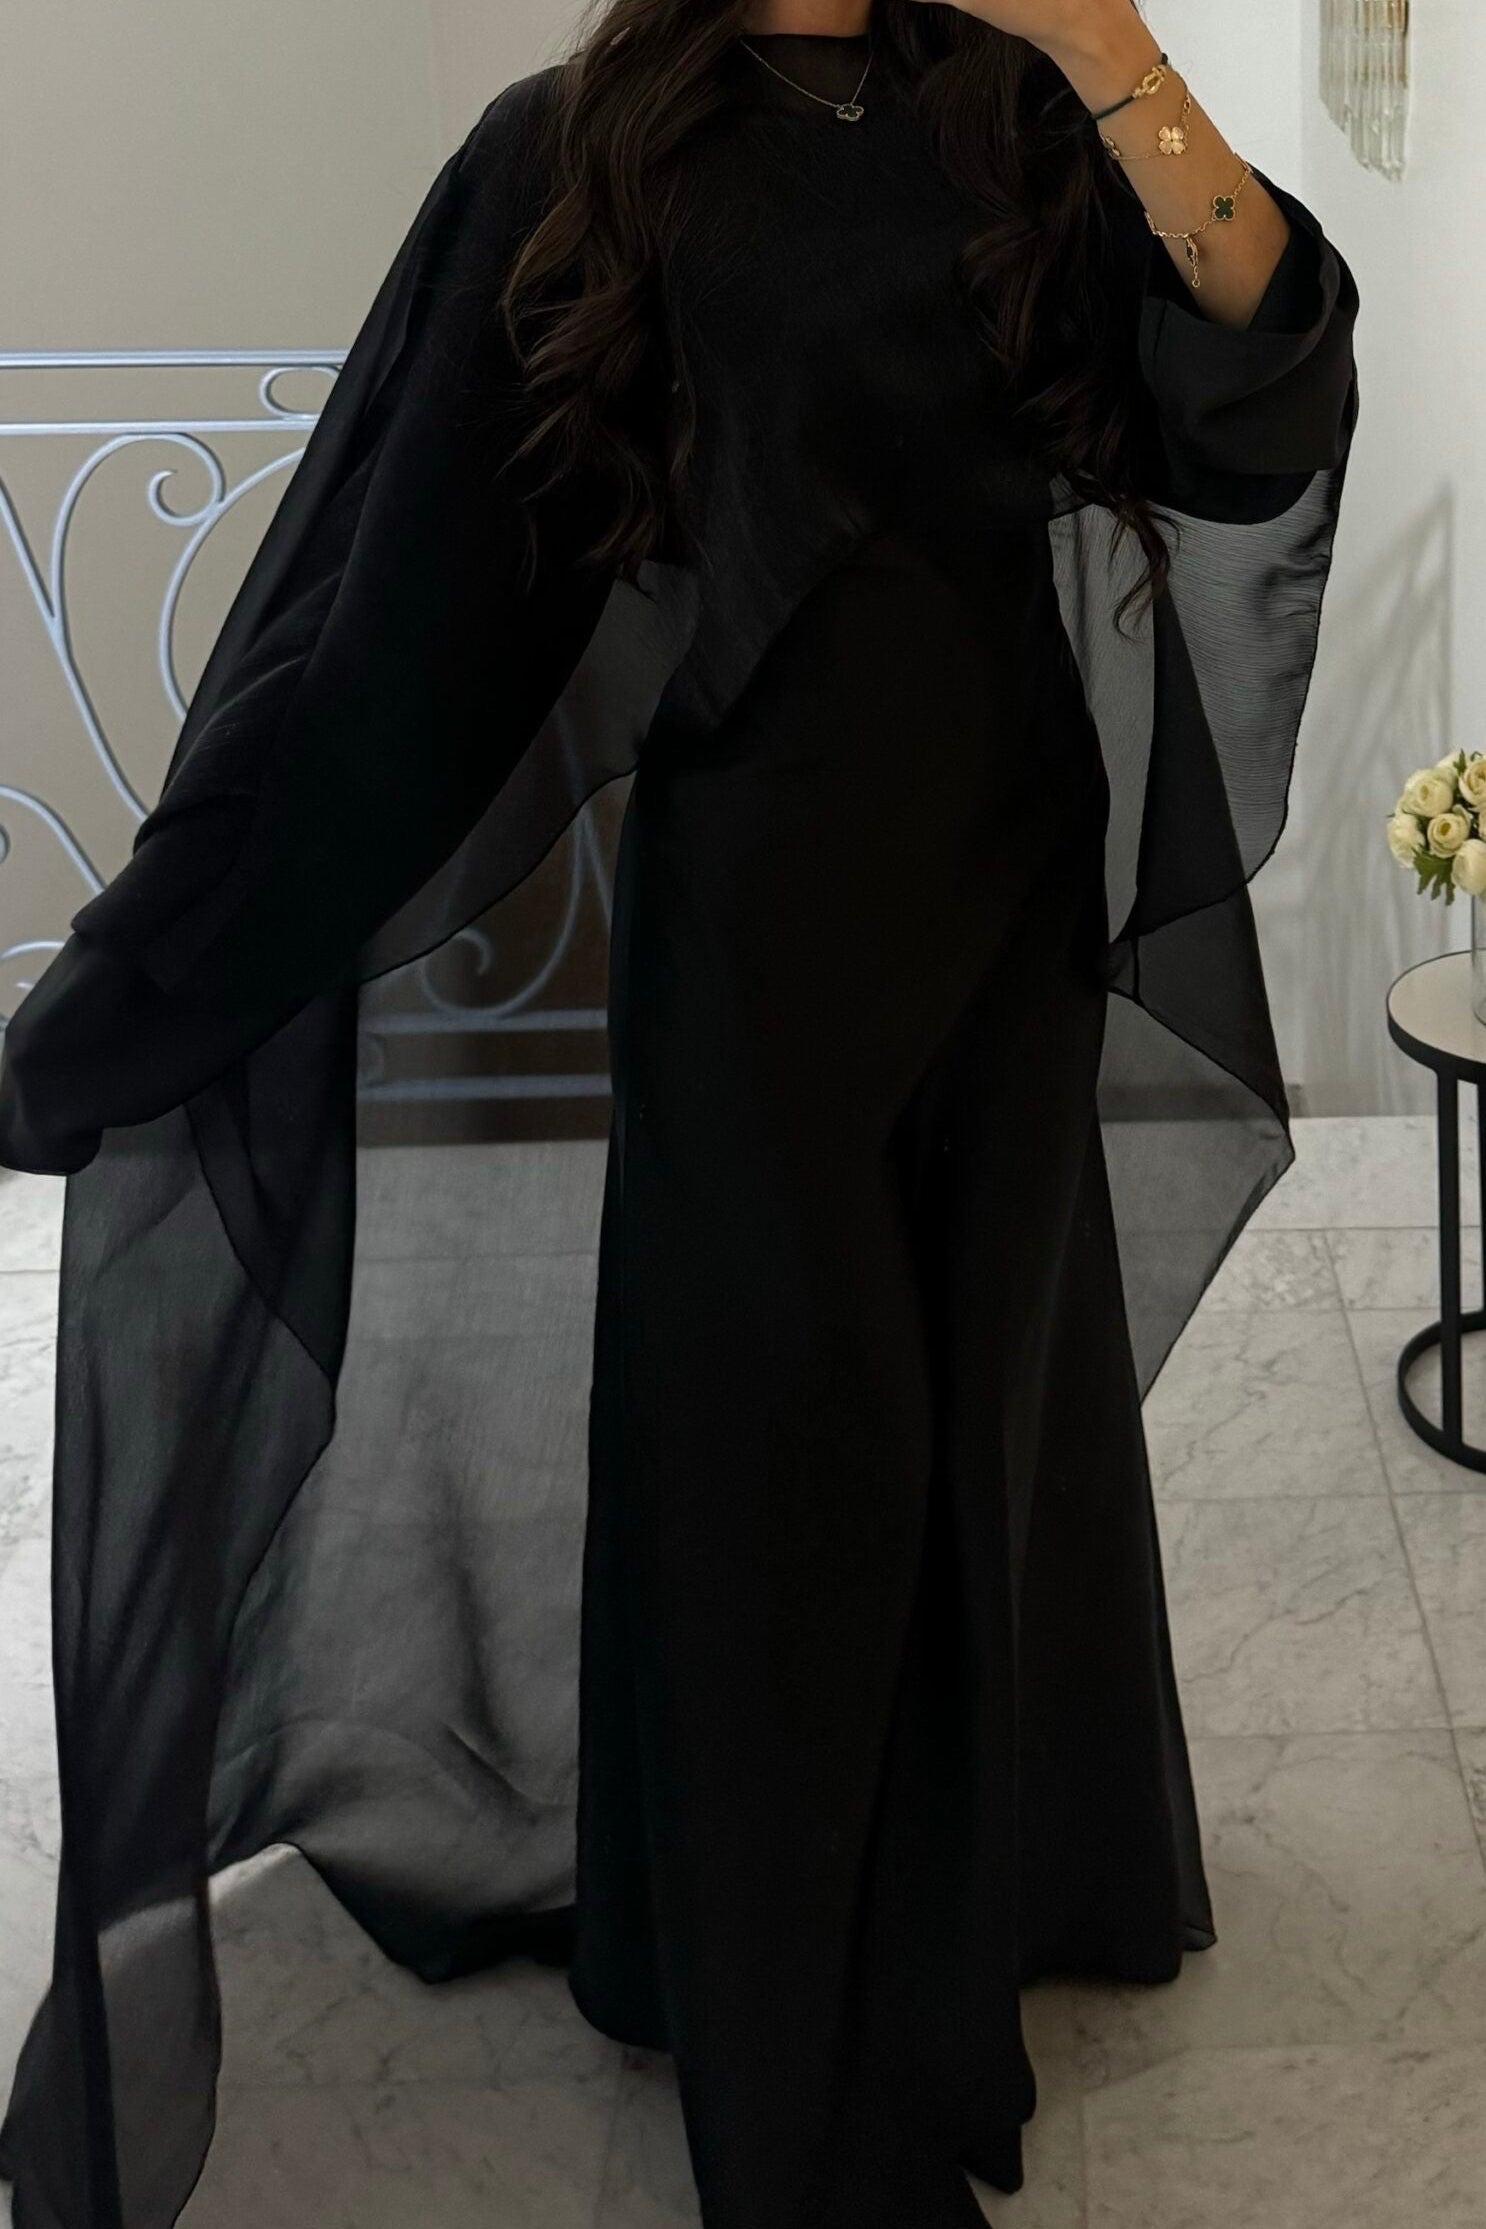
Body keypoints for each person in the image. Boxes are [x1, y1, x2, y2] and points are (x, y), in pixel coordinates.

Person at [0, 3, 1359, 2225]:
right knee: (776, 1459)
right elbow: (400, 624)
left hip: (1006, 896)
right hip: (758, 935)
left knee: (983, 1420)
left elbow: (1256, 403)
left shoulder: (1024, 111)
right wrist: (150, 975)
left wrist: (1114, 52)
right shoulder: (579, 151)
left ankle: (976, 1906)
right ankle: (779, 2023)